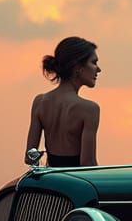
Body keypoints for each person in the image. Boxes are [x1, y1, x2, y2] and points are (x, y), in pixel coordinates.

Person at [25, 36, 101, 167]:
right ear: (78, 66)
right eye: (93, 62)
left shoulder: (40, 102)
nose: (98, 69)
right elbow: (87, 163)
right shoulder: (90, 109)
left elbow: (29, 158)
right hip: (76, 179)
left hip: (51, 178)